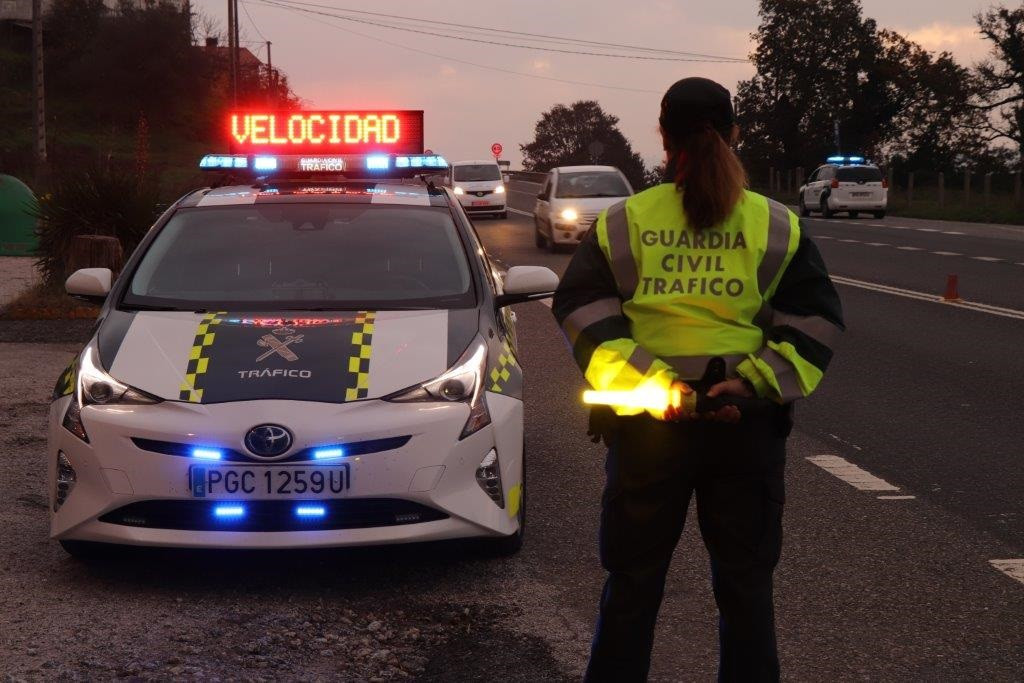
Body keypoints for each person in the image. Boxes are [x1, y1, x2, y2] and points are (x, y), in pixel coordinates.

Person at [552, 77, 844, 682]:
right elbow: (815, 320)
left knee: (632, 586)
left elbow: (582, 308)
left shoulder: (624, 222)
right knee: (745, 589)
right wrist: (752, 385)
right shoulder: (776, 224)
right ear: (735, 133)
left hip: (647, 429)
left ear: (663, 138)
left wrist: (659, 385)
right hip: (745, 430)